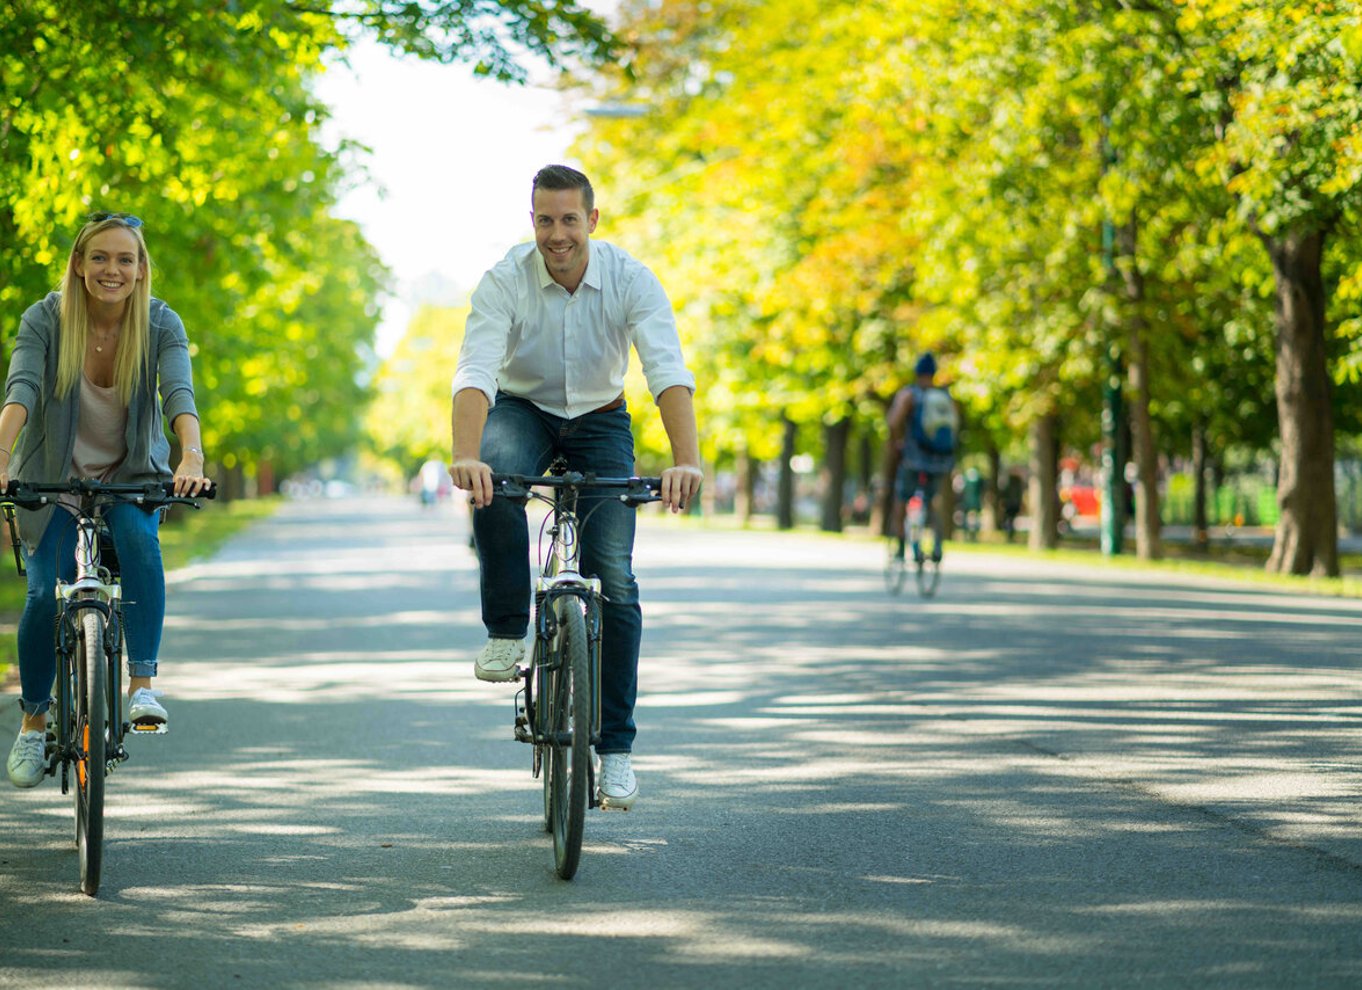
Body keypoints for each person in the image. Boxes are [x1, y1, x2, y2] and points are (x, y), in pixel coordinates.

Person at [449, 165, 703, 811]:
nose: (556, 234)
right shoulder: (506, 278)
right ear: (531, 219)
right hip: (523, 408)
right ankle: (508, 629)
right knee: (498, 480)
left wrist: (687, 460)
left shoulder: (630, 279)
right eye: (544, 220)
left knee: (613, 578)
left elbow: (666, 367)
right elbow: (476, 367)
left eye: (568, 220)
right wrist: (466, 454)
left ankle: (615, 751)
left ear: (592, 220)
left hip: (600, 417)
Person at [2, 212, 211, 789]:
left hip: (130, 476)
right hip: (52, 482)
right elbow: (21, 387)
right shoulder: (46, 318)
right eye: (99, 257)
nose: (111, 269)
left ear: (141, 269)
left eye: (125, 259)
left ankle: (142, 684)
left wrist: (190, 454)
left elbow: (179, 390)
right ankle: (34, 724)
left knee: (141, 544)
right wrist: (0, 453)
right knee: (45, 593)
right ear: (79, 263)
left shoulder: (161, 322)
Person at [886, 353, 957, 562]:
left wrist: (897, 442)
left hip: (913, 458)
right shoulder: (945, 396)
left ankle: (899, 547)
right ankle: (936, 542)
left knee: (902, 497)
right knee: (931, 500)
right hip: (939, 460)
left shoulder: (910, 395)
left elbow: (893, 422)